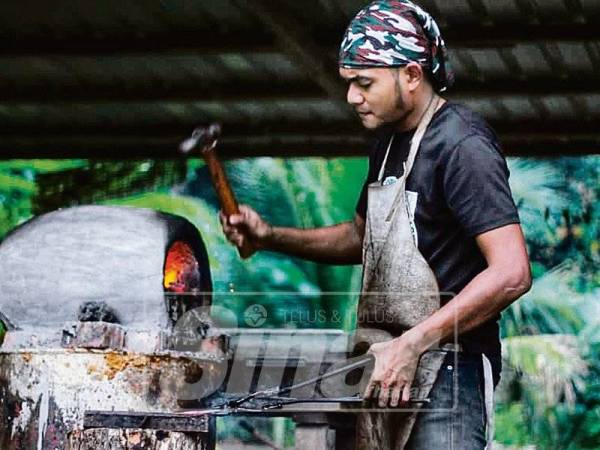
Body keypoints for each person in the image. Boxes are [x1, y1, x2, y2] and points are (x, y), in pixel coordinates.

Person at [219, 1, 531, 448]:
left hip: (449, 368)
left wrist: (414, 344)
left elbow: (512, 272)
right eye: (349, 83)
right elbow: (360, 238)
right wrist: (270, 236)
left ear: (410, 74)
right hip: (384, 366)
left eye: (364, 83)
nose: (351, 97)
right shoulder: (388, 143)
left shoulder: (462, 143)